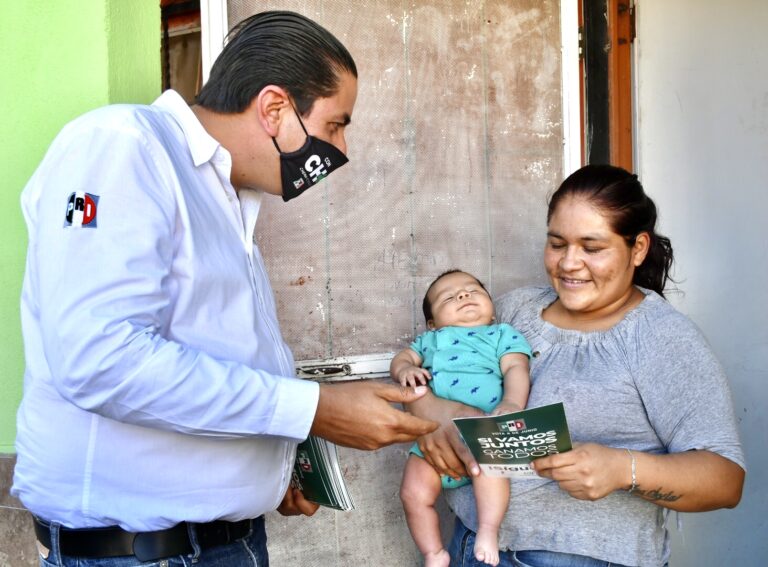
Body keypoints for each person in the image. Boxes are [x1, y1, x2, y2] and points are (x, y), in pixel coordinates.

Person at [13, 11, 437, 567]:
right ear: (275, 108)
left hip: (221, 542)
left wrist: (269, 470)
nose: (340, 150)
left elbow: (206, 359)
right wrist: (311, 411)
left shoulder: (226, 198)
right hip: (145, 555)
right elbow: (100, 358)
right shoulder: (122, 146)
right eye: (336, 125)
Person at [407, 165, 745, 567]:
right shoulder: (516, 310)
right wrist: (435, 413)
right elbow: (439, 367)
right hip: (468, 545)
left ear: (637, 248)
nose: (569, 263)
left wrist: (623, 470)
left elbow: (725, 480)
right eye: (557, 243)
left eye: (592, 247)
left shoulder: (662, 338)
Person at [392, 270, 531, 567]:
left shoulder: (501, 334)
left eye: (473, 290)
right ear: (432, 323)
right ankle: (434, 552)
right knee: (412, 492)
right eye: (449, 297)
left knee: (491, 471)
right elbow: (402, 359)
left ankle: (488, 531)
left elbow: (516, 369)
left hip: (481, 430)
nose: (463, 295)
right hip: (434, 438)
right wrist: (404, 371)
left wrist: (511, 402)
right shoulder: (429, 340)